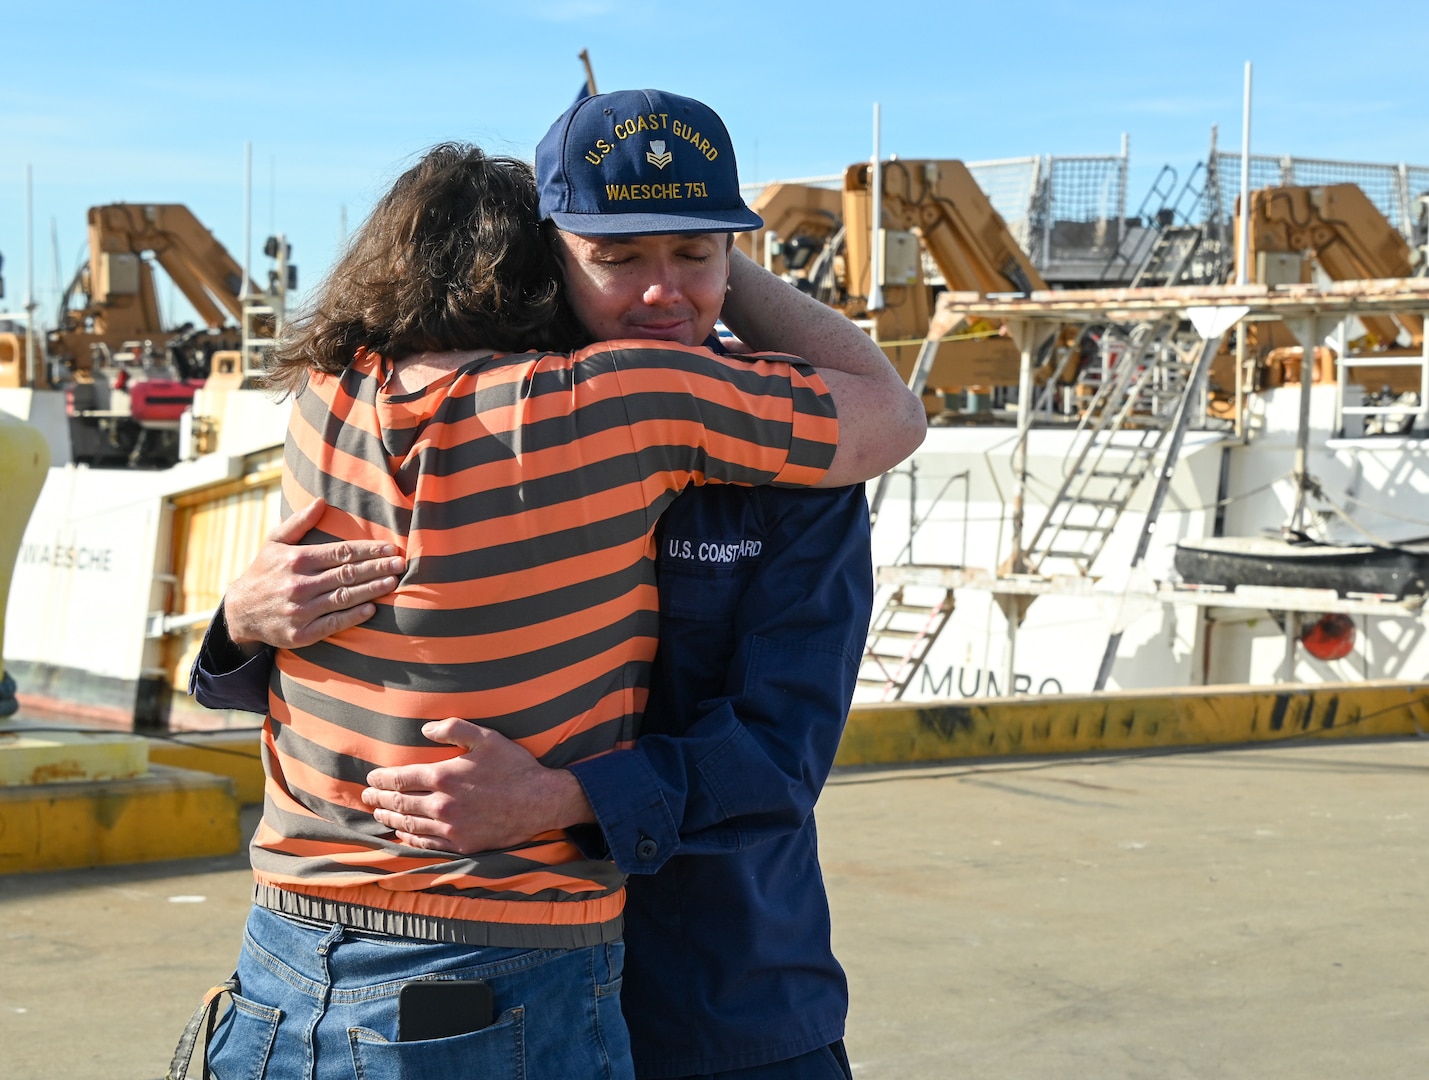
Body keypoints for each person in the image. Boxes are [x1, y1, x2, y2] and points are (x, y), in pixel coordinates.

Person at [193, 118, 922, 1080]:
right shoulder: (634, 398)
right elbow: (892, 409)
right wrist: (241, 619)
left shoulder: (342, 397)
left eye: (696, 252)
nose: (662, 290)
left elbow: (780, 754)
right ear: (545, 262)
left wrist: (555, 798)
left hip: (713, 996)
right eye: (617, 256)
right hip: (521, 976)